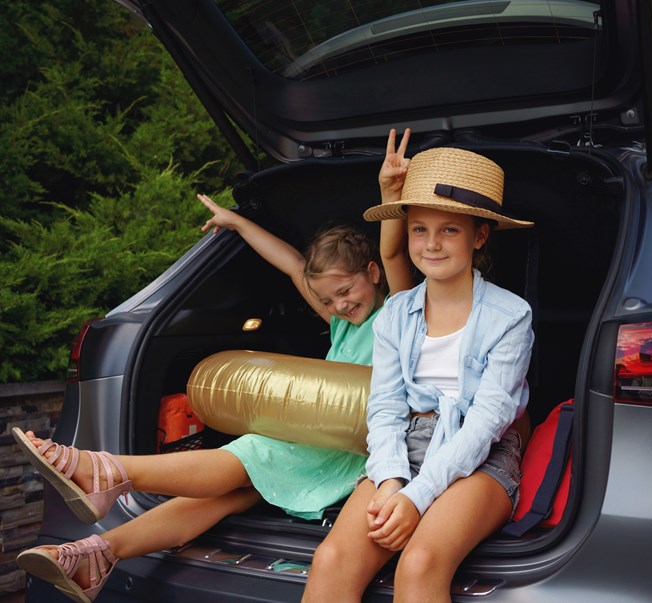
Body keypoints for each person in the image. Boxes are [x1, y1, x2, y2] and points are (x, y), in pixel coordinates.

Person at [14, 130, 416, 603]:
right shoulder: (342, 322)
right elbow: (291, 265)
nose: (341, 304)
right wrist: (240, 225)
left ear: (373, 274)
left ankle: (104, 469)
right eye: (329, 298)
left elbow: (393, 253)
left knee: (252, 451)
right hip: (314, 443)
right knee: (219, 494)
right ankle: (100, 552)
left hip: (357, 448)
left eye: (347, 291)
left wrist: (391, 194)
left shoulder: (399, 312)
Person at [301, 146, 535, 603]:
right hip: (406, 444)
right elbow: (386, 408)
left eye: (449, 230)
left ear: (479, 236)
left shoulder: (511, 316)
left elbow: (488, 420)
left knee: (421, 561)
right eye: (419, 229)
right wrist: (390, 480)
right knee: (331, 560)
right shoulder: (395, 313)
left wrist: (418, 495)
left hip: (481, 453)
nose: (431, 244)